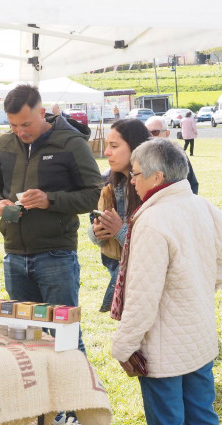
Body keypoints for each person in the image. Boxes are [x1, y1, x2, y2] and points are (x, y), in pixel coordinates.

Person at [0, 84, 102, 425]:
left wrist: (50, 200)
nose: (21, 131)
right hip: (14, 255)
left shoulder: (70, 142)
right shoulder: (3, 145)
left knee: (66, 337)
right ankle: (48, 412)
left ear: (42, 111)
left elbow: (94, 192)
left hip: (56, 256)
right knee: (29, 336)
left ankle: (77, 417)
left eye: (26, 124)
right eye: (14, 125)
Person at [112, 137, 222, 425]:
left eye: (135, 174)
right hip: (199, 337)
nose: (131, 181)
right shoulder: (206, 207)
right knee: (202, 418)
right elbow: (220, 272)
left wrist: (122, 347)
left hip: (162, 349)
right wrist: (190, 294)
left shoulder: (152, 220)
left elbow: (142, 299)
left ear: (157, 178)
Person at [87, 119, 147, 313]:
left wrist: (120, 231)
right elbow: (92, 226)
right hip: (120, 273)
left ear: (136, 148)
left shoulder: (155, 186)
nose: (106, 152)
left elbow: (155, 244)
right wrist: (97, 233)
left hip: (147, 279)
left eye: (114, 146)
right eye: (107, 145)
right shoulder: (108, 181)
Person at [145, 116, 199, 194]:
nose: (150, 137)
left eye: (155, 132)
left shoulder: (177, 154)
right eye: (147, 132)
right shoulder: (141, 156)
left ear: (167, 134)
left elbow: (192, 183)